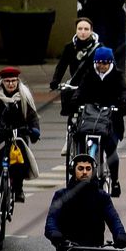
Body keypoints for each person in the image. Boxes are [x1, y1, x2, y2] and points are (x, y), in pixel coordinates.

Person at [0, 68, 40, 225]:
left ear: (17, 81)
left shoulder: (23, 97)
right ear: (2, 82)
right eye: (7, 81)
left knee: (20, 161)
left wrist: (34, 130)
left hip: (17, 137)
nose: (10, 84)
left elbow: (32, 117)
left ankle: (18, 189)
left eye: (13, 81)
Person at [72, 46, 126, 197]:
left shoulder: (117, 76)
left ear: (110, 63)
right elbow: (82, 89)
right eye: (99, 63)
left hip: (111, 119)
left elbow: (124, 91)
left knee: (111, 148)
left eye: (105, 63)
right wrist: (77, 98)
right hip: (91, 117)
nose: (102, 66)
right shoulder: (90, 74)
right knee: (79, 137)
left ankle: (115, 181)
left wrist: (124, 103)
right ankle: (77, 174)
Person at [51, 17, 101, 154]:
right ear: (76, 30)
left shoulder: (98, 48)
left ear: (91, 31)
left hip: (92, 84)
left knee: (93, 111)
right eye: (80, 29)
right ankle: (69, 139)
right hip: (75, 84)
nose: (83, 32)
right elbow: (61, 66)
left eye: (86, 29)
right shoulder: (69, 47)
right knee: (72, 113)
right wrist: (55, 81)